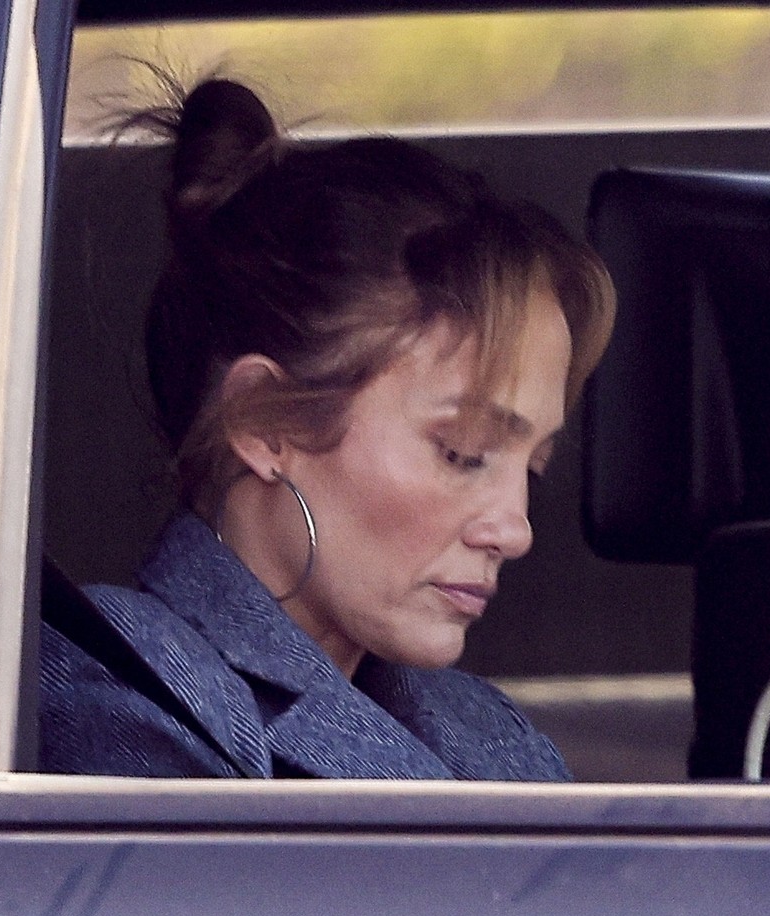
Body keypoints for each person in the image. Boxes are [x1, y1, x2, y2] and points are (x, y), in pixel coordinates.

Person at [39, 78, 615, 780]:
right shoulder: (122, 691)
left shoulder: (491, 732)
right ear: (264, 422)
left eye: (532, 467)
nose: (515, 531)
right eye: (463, 452)